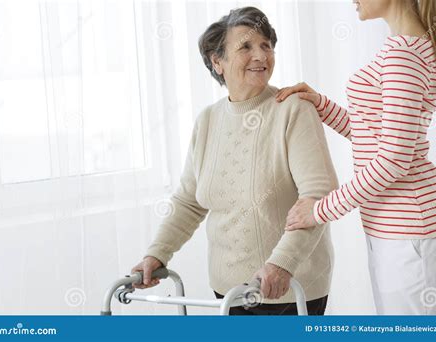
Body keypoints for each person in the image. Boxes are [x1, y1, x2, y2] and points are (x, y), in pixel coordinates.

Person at [130, 6, 339, 315]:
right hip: (229, 291)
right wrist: (156, 255)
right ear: (218, 62)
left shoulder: (292, 109)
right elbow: (189, 201)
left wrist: (282, 263)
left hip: (289, 289)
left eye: (266, 46)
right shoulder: (208, 121)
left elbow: (320, 195)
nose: (261, 56)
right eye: (245, 47)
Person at [277, 0, 436, 315]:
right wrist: (322, 105)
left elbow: (393, 158)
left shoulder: (402, 56)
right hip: (397, 230)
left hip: (408, 231)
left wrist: (319, 211)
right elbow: (377, 136)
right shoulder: (405, 48)